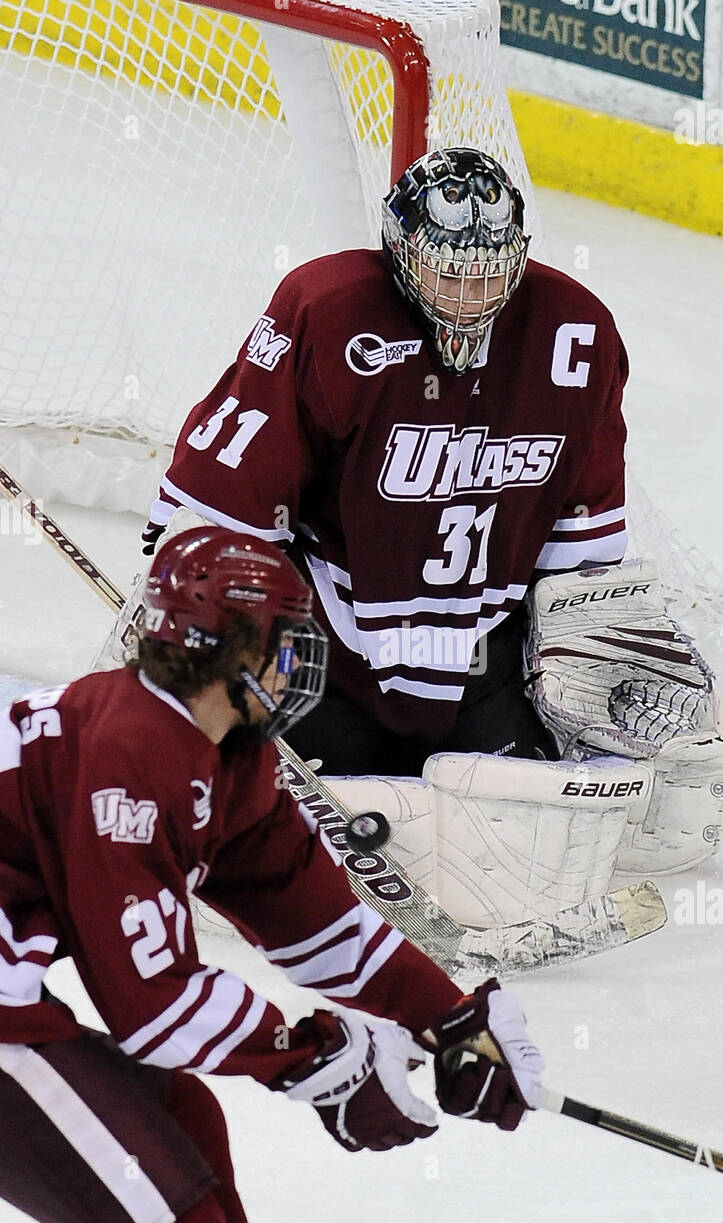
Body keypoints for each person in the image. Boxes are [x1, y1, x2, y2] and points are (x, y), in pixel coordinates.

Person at [0, 526, 544, 1223]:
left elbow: (314, 920)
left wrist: (448, 1015)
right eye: (285, 642)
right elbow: (152, 1006)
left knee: (180, 1118)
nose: (300, 664)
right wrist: (320, 1057)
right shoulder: (132, 752)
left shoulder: (224, 753)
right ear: (221, 648)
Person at [141, 147, 630, 776]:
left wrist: (589, 657)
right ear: (399, 249)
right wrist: (199, 624)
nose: (467, 298)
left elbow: (584, 551)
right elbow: (228, 501)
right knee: (257, 814)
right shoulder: (330, 312)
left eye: (486, 274)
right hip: (328, 660)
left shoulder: (576, 334)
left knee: (521, 833)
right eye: (447, 273)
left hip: (486, 661)